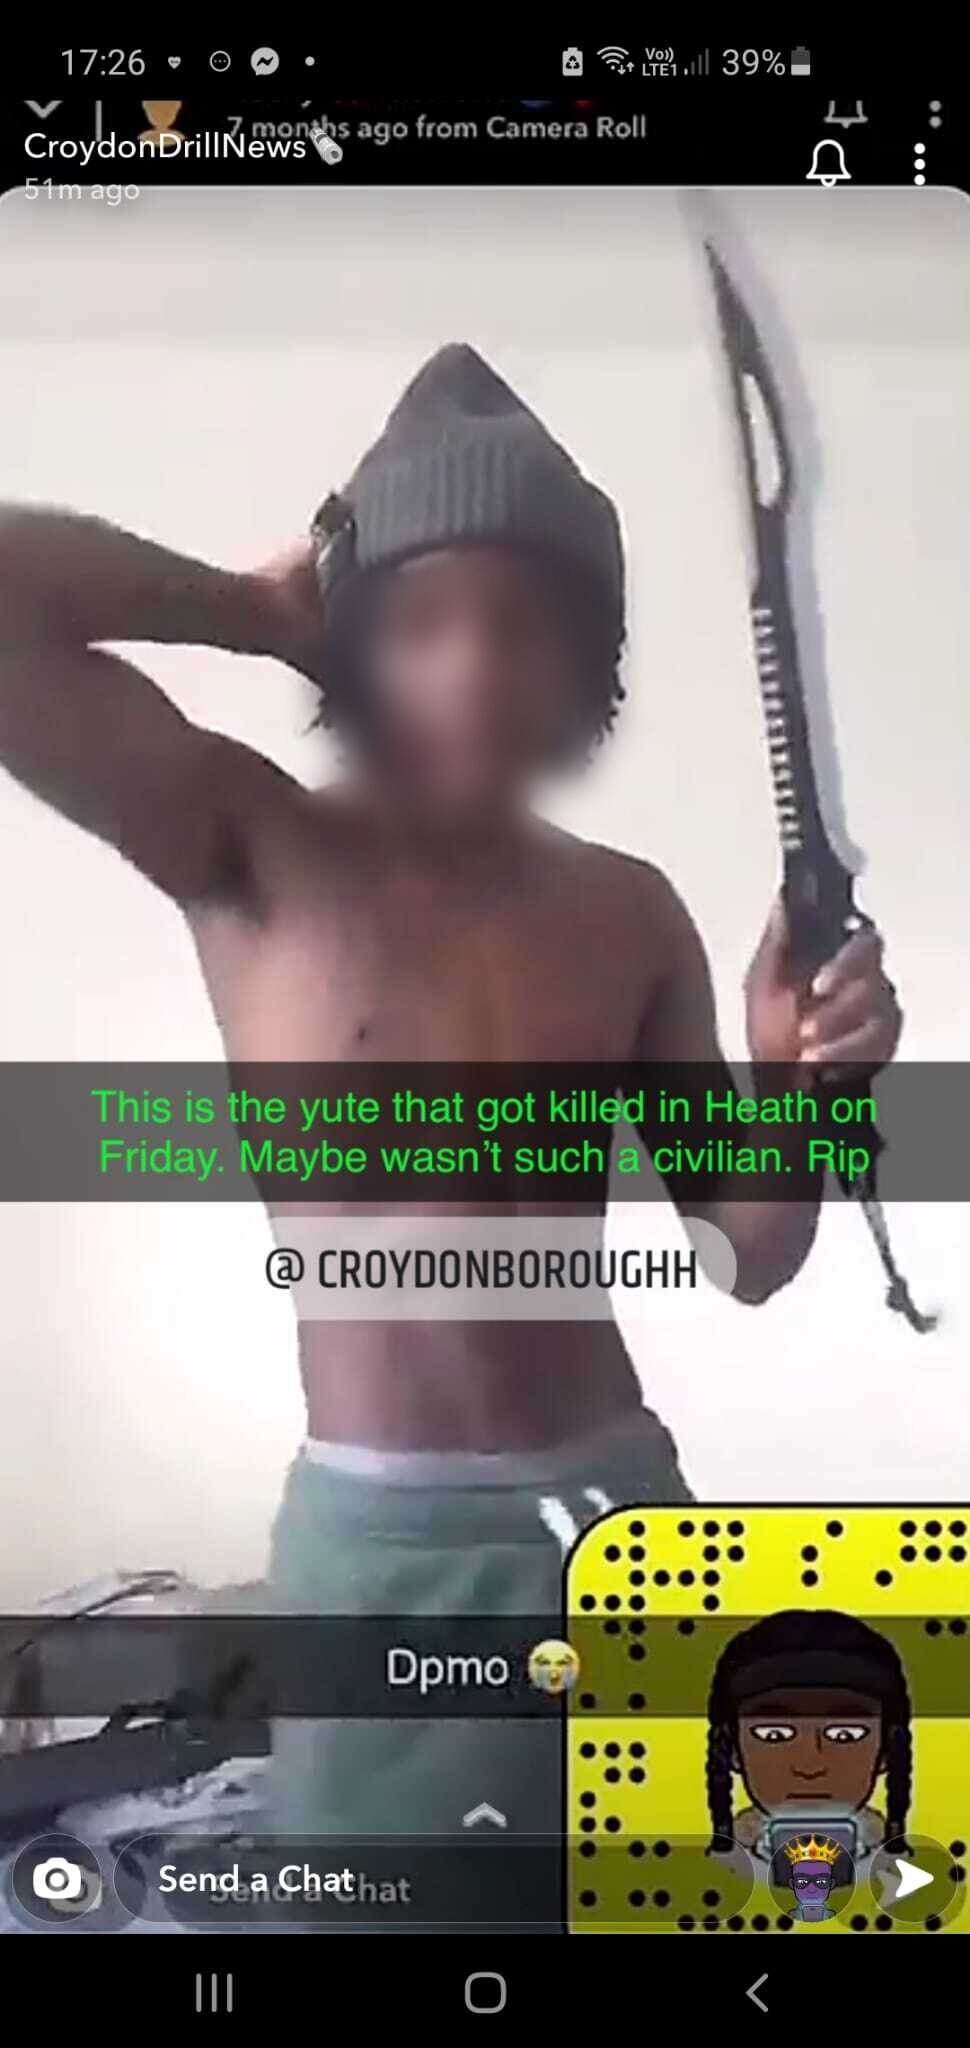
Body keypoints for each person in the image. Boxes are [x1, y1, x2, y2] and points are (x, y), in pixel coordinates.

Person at [0, 344, 901, 1845]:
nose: (476, 664)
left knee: (657, 1887)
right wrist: (248, 609)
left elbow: (753, 1252)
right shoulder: (250, 847)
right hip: (378, 1549)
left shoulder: (631, 911)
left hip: (618, 1509)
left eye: (526, 625)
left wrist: (801, 1083)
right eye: (419, 621)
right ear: (353, 646)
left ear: (589, 664)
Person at [705, 1608, 913, 1869]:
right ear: (733, 1750)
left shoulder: (905, 1872)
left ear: (886, 1752)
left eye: (845, 1735)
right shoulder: (712, 1871)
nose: (809, 1766)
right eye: (774, 1735)